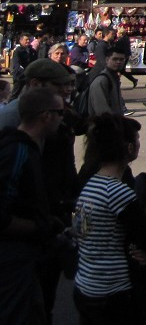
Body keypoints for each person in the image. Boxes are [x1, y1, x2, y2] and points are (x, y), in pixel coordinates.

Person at [72, 114, 146, 325]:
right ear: (128, 148)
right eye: (136, 139)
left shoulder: (92, 183)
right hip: (113, 287)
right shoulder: (117, 192)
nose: (138, 144)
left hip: (87, 282)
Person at [0, 87, 66, 325]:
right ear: (45, 115)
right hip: (13, 258)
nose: (63, 118)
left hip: (27, 255)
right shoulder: (16, 151)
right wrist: (39, 227)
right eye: (60, 112)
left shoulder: (28, 148)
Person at [86, 51, 127, 117]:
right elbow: (101, 111)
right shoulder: (102, 80)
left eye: (121, 59)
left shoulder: (114, 77)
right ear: (107, 60)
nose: (118, 62)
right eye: (115, 59)